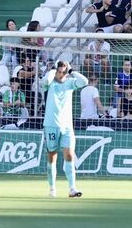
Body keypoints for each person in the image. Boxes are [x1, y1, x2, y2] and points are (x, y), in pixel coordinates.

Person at [42, 60, 87, 198]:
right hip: (51, 125)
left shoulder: (70, 83)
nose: (61, 74)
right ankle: (52, 188)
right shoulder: (49, 83)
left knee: (69, 155)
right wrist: (53, 69)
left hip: (67, 126)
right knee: (52, 156)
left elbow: (84, 82)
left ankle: (72, 188)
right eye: (59, 71)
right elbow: (46, 79)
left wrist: (71, 71)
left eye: (63, 72)